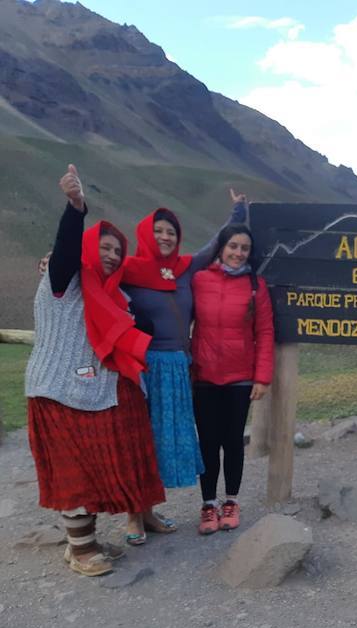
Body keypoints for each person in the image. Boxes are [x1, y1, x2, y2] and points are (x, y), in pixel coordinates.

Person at [25, 165, 165, 575]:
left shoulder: (114, 295)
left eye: (117, 251)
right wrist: (76, 207)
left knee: (95, 467)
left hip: (92, 391)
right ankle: (82, 550)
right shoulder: (62, 278)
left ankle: (82, 542)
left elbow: (145, 327)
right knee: (74, 471)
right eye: (104, 247)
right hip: (58, 390)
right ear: (89, 247)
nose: (111, 255)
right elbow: (67, 248)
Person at [119, 195, 239, 541]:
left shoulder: (185, 268)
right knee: (140, 440)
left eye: (170, 231)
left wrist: (238, 212)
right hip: (145, 367)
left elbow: (213, 247)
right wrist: (51, 263)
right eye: (158, 230)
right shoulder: (129, 269)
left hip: (179, 368)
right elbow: (96, 275)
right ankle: (132, 517)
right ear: (145, 233)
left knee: (164, 443)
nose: (165, 236)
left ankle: (150, 512)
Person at [191, 195, 274, 534]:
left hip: (240, 376)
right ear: (222, 247)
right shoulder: (199, 280)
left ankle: (231, 501)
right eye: (233, 246)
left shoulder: (257, 287)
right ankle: (208, 505)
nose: (239, 253)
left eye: (244, 248)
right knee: (207, 442)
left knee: (231, 441)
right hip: (204, 375)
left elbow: (265, 332)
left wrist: (262, 377)